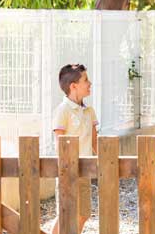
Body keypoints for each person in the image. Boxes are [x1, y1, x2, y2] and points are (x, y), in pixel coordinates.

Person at [51, 64, 98, 234]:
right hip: (67, 171)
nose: (90, 83)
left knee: (83, 213)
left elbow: (95, 143)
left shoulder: (89, 111)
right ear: (73, 86)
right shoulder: (62, 111)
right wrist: (65, 168)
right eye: (86, 80)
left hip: (84, 172)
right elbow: (59, 142)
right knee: (65, 214)